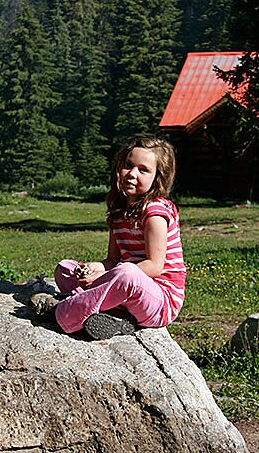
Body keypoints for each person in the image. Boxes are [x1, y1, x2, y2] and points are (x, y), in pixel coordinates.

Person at [29, 136, 186, 340]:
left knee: (127, 273)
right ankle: (116, 321)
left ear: (158, 177)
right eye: (128, 165)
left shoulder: (155, 212)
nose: (132, 174)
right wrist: (95, 268)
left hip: (159, 301)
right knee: (65, 268)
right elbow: (112, 261)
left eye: (143, 170)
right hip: (127, 291)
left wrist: (104, 278)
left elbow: (155, 266)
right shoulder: (119, 212)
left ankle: (60, 312)